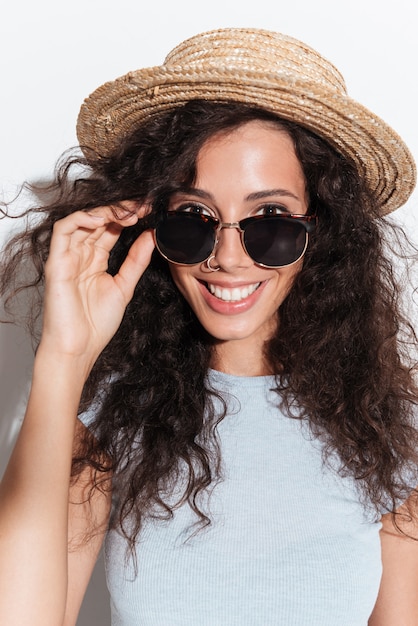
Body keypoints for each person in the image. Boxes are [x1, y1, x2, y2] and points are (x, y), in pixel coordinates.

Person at [0, 26, 417, 626]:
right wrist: (64, 358)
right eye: (193, 218)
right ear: (149, 223)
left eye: (269, 218)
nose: (226, 256)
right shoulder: (110, 414)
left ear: (320, 231)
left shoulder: (388, 430)